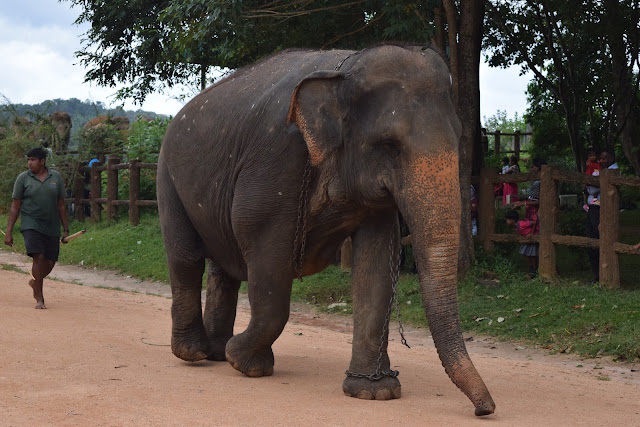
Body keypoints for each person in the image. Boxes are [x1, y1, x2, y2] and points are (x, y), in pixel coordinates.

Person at [4, 147, 69, 309]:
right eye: (28, 160)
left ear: (42, 161)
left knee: (50, 261)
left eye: (33, 160)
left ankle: (36, 283)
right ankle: (40, 298)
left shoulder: (56, 177)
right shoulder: (23, 178)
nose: (29, 163)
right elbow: (15, 206)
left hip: (52, 225)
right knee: (38, 257)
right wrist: (9, 231)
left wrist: (65, 229)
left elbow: (61, 205)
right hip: (31, 223)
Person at [585, 148, 619, 283]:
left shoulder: (612, 171)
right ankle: (597, 275)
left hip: (602, 210)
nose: (601, 161)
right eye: (601, 158)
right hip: (593, 208)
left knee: (601, 239)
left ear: (611, 158)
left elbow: (592, 188)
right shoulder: (600, 169)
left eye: (604, 158)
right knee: (591, 240)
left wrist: (591, 185)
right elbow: (589, 187)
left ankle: (603, 274)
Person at [512, 157, 546, 277]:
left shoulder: (538, 183)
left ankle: (534, 269)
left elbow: (537, 201)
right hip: (531, 214)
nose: (531, 169)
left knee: (532, 243)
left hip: (534, 215)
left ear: (538, 168)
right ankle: (533, 268)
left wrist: (523, 203)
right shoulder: (537, 181)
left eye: (533, 167)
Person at [505, 209, 539, 278]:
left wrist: (531, 233)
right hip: (526, 240)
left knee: (532, 255)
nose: (506, 221)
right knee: (525, 254)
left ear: (512, 220)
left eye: (507, 220)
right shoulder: (517, 227)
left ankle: (534, 269)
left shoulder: (522, 223)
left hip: (532, 239)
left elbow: (534, 222)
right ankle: (531, 267)